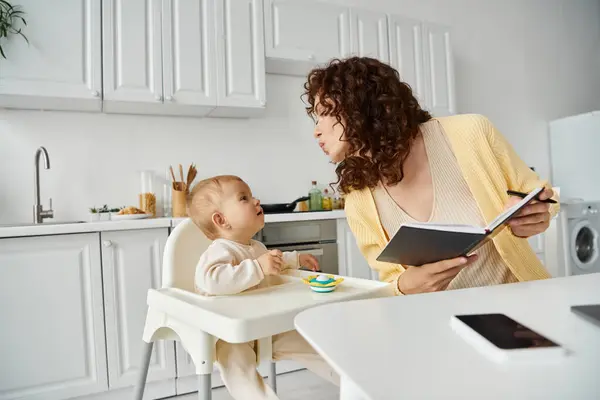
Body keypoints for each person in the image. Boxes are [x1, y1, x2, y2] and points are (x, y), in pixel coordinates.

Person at [303, 57, 559, 296]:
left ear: (362, 106)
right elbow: (391, 282)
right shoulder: (357, 196)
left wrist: (537, 213)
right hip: (438, 322)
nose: (316, 132)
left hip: (521, 300)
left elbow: (541, 196)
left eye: (324, 113)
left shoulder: (471, 132)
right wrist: (406, 286)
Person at [187, 175, 339, 400]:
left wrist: (295, 259)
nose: (256, 201)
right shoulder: (220, 250)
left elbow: (272, 262)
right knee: (242, 376)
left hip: (263, 326)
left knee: (313, 345)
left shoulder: (255, 246)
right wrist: (257, 266)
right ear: (221, 220)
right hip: (230, 335)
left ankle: (353, 379)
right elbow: (210, 279)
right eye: (243, 198)